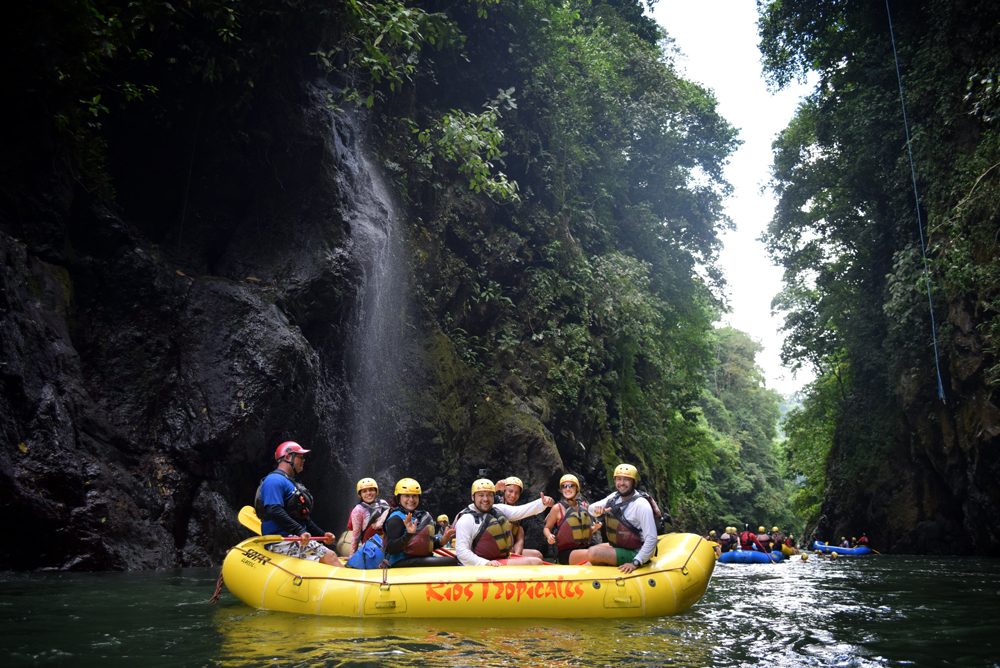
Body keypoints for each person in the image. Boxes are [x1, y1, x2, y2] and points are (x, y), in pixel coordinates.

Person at [253, 441, 342, 566]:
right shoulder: (274, 480)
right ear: (288, 457)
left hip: (294, 539)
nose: (303, 460)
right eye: (300, 457)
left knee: (327, 558)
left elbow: (303, 518)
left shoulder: (291, 482)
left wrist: (322, 534)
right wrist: (299, 531)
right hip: (282, 541)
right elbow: (274, 510)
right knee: (331, 556)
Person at [454, 479, 554, 566]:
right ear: (473, 497)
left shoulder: (498, 509)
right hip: (483, 564)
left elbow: (521, 511)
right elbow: (462, 552)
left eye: (489, 495)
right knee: (534, 562)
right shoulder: (467, 519)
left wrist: (542, 503)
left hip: (499, 559)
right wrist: (484, 563)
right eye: (481, 495)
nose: (485, 499)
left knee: (537, 558)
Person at [585, 464, 658, 574]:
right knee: (592, 554)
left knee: (592, 552)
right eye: (619, 479)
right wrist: (597, 510)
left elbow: (652, 538)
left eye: (626, 480)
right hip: (622, 547)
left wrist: (635, 563)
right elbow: (590, 509)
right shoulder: (615, 497)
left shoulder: (641, 505)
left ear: (634, 482)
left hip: (636, 552)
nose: (622, 483)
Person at [383, 478, 457, 567]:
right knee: (451, 561)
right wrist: (409, 534)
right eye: (407, 496)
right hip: (401, 562)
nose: (411, 499)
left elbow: (420, 546)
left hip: (417, 560)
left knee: (453, 560)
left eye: (414, 496)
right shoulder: (396, 518)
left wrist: (442, 541)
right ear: (399, 497)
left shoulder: (418, 516)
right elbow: (391, 548)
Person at [542, 474, 600, 564]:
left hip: (585, 548)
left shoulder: (584, 506)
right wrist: (549, 536)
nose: (567, 489)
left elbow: (580, 531)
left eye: (571, 486)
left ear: (577, 489)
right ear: (561, 490)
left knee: (607, 549)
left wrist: (594, 528)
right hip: (566, 553)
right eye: (564, 486)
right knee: (597, 554)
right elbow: (547, 528)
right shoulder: (557, 508)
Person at [495, 477, 545, 559]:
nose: (513, 495)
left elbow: (519, 539)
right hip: (496, 549)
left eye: (517, 493)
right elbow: (484, 499)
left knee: (537, 555)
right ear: (504, 491)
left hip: (511, 551)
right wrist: (495, 488)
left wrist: (516, 556)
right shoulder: (495, 502)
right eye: (510, 491)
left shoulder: (519, 512)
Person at [347, 477, 390, 557]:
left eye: (371, 490)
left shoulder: (384, 503)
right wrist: (352, 557)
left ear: (376, 491)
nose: (368, 493)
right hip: (371, 550)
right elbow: (356, 534)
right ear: (360, 495)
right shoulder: (358, 509)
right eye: (364, 491)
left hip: (387, 546)